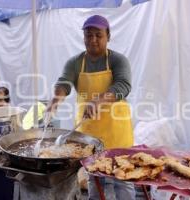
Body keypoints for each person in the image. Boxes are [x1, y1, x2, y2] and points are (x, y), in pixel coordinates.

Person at [46, 15, 135, 200]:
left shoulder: (118, 60)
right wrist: (56, 99)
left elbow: (123, 85)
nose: (93, 40)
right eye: (88, 35)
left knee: (123, 179)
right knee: (95, 181)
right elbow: (64, 83)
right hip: (88, 133)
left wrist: (98, 101)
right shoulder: (75, 62)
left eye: (98, 35)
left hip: (117, 131)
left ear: (108, 36)